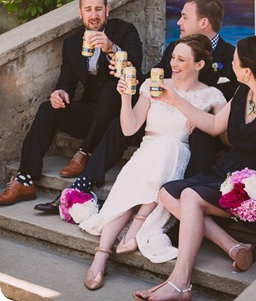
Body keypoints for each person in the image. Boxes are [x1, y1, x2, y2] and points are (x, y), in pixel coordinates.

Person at [36, 0, 238, 214]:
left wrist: (199, 115)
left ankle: (183, 202)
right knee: (120, 122)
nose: (178, 22)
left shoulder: (231, 57)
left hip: (198, 130)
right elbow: (153, 79)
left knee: (199, 135)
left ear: (203, 22)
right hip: (164, 117)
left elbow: (230, 105)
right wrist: (125, 75)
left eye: (184, 17)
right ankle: (83, 185)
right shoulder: (174, 48)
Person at [133, 34, 256, 301]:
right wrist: (175, 100)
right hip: (228, 172)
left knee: (189, 196)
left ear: (247, 71)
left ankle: (180, 283)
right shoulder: (242, 92)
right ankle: (234, 247)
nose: (230, 64)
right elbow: (213, 126)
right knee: (168, 192)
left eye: (234, 62)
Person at [79, 35, 227, 291]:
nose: (174, 64)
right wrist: (126, 97)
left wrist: (200, 119)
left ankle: (134, 227)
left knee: (168, 145)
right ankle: (101, 256)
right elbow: (130, 128)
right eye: (173, 57)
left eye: (181, 59)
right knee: (131, 188)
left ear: (199, 65)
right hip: (146, 154)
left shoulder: (211, 95)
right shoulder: (152, 84)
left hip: (176, 158)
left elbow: (224, 135)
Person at [0, 0, 143, 206]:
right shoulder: (72, 43)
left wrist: (111, 48)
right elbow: (66, 81)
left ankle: (85, 152)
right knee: (48, 108)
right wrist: (61, 92)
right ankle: (25, 179)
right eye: (88, 9)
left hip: (120, 117)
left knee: (111, 88)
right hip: (92, 114)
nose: (93, 15)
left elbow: (136, 64)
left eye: (98, 9)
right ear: (80, 12)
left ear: (107, 10)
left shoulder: (124, 31)